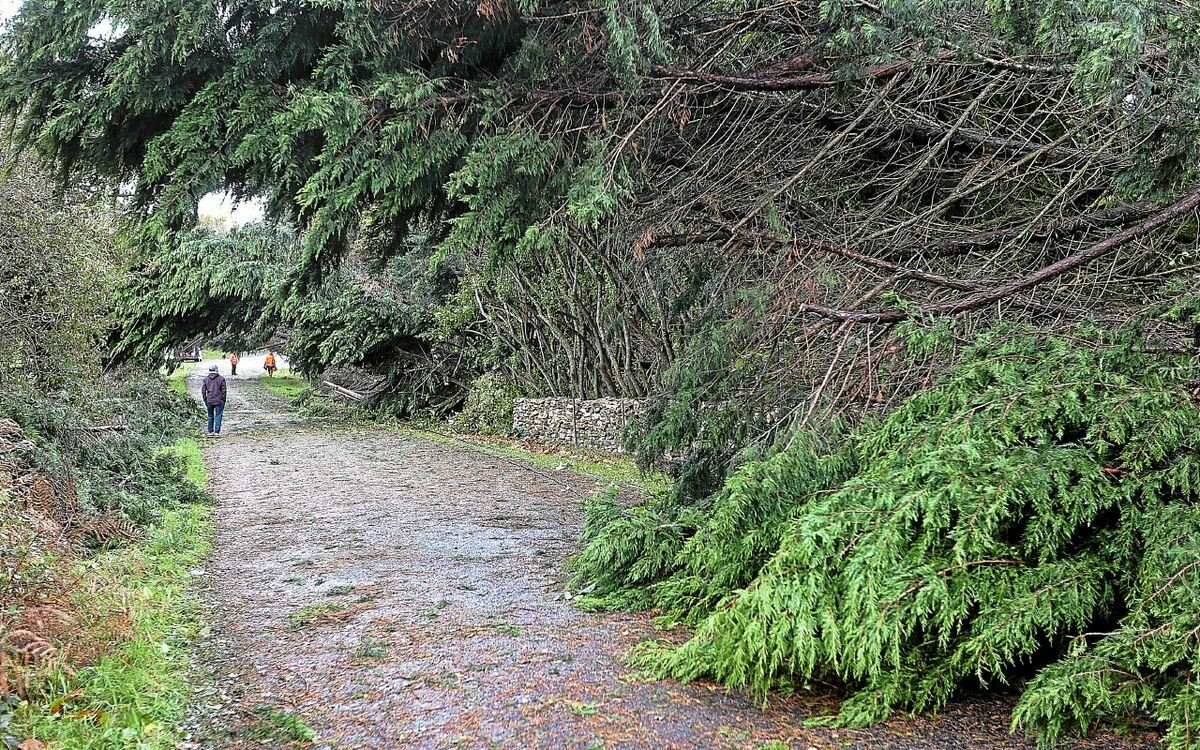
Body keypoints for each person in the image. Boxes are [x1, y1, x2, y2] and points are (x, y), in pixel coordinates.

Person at [201, 364, 227, 437]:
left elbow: (203, 390)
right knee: (218, 415)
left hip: (209, 400)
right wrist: (223, 399)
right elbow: (224, 391)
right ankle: (217, 432)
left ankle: (210, 431)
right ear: (216, 370)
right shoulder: (221, 379)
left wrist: (205, 400)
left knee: (210, 416)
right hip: (219, 400)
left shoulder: (205, 379)